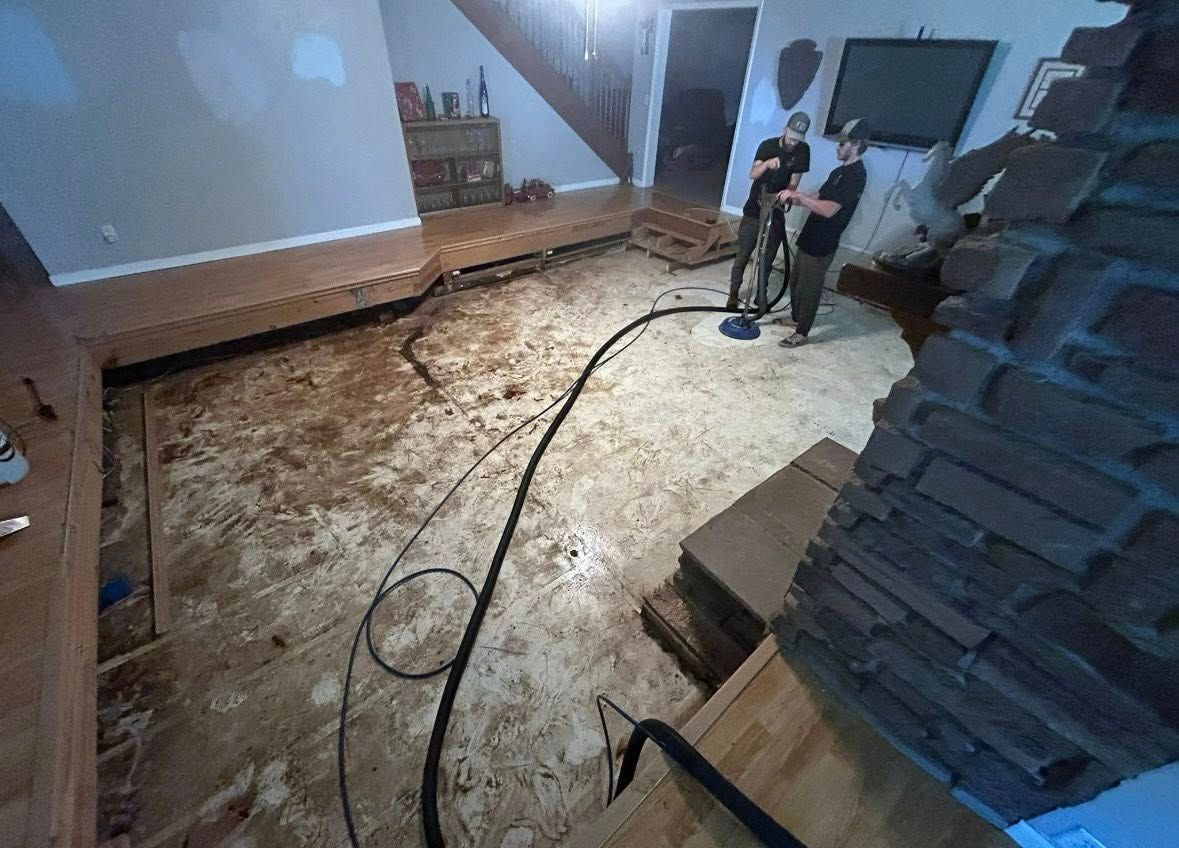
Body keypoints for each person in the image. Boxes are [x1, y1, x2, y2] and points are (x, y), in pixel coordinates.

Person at [775, 118, 870, 347]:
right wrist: (794, 198)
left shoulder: (855, 175)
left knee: (810, 288)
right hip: (810, 237)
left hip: (822, 243)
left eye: (842, 144)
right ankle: (796, 318)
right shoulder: (840, 172)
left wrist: (800, 197)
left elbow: (829, 210)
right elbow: (821, 196)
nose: (837, 147)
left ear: (855, 144)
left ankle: (802, 332)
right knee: (797, 281)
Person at [726, 112, 812, 311]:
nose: (792, 143)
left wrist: (787, 194)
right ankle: (733, 293)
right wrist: (766, 164)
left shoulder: (803, 151)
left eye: (797, 139)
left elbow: (794, 183)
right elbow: (752, 174)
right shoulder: (767, 146)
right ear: (785, 130)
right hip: (754, 209)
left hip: (776, 211)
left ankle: (761, 295)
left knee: (767, 257)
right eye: (791, 137)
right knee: (743, 253)